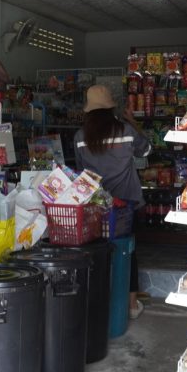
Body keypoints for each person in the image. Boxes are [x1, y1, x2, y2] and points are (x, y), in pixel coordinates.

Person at [73, 84, 151, 319]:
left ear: (88, 110)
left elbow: (81, 172)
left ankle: (102, 304)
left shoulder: (80, 137)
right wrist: (133, 122)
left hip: (96, 206)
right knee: (128, 252)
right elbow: (146, 150)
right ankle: (131, 305)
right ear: (110, 108)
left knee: (99, 253)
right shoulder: (126, 131)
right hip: (127, 204)